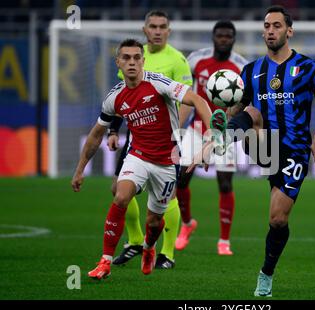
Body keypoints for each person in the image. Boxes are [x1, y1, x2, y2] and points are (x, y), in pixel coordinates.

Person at [188, 5, 315, 297]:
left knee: (278, 219)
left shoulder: (308, 67)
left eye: (276, 26)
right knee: (253, 112)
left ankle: (266, 275)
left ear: (289, 31)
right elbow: (238, 111)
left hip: (295, 152)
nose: (270, 31)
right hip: (265, 147)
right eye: (267, 26)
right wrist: (215, 137)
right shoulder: (251, 70)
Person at [71, 39, 212, 280]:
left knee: (155, 221)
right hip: (137, 156)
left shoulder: (159, 84)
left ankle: (148, 248)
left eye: (137, 57)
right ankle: (104, 262)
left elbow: (197, 100)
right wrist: (80, 169)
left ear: (143, 61)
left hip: (167, 161)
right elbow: (96, 134)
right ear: (118, 63)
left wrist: (211, 136)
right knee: (121, 194)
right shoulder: (114, 97)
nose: (132, 62)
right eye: (126, 58)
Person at [107, 10, 193, 269]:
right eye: (152, 26)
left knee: (170, 197)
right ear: (145, 30)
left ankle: (167, 254)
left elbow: (187, 98)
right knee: (117, 189)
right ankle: (135, 241)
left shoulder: (177, 60)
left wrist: (177, 130)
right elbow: (124, 97)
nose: (157, 31)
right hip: (136, 138)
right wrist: (113, 130)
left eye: (162, 27)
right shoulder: (133, 55)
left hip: (167, 138)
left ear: (169, 31)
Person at [175, 20, 248, 255]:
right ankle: (187, 224)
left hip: (223, 132)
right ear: (213, 37)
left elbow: (245, 101)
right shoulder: (196, 59)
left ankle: (224, 240)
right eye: (220, 35)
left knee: (225, 183)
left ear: (234, 39)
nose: (224, 39)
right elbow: (186, 90)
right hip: (196, 129)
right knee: (181, 180)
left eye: (228, 36)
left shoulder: (241, 66)